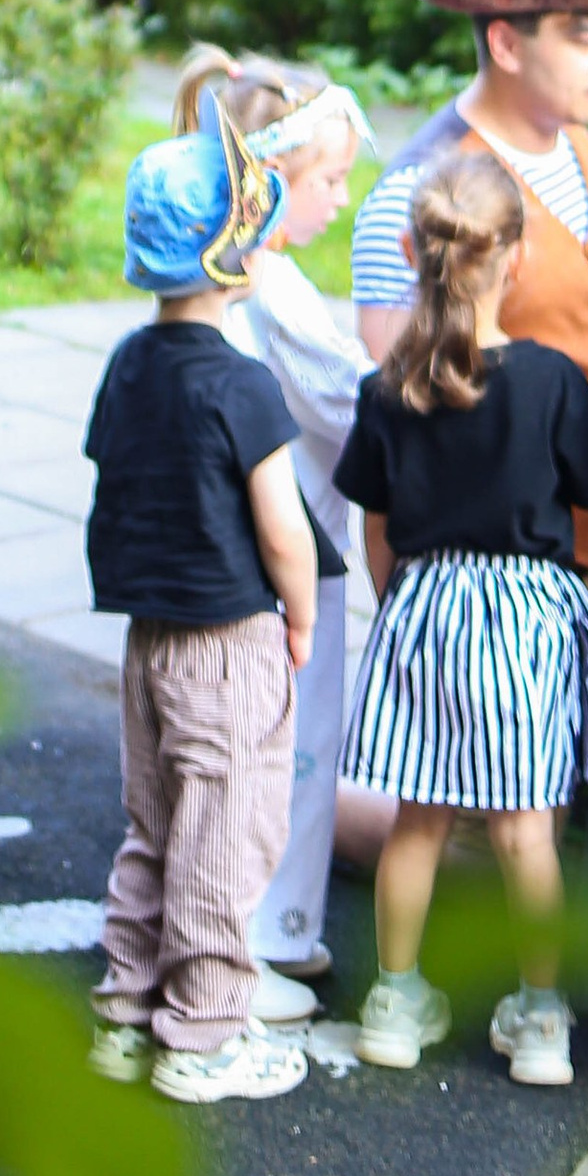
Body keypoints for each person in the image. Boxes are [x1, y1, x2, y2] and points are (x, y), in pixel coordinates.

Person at [337, 152, 588, 1089]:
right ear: (519, 256)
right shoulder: (549, 381)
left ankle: (393, 995)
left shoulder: (389, 387)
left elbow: (376, 525)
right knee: (524, 831)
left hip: (425, 603)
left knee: (418, 819)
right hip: (525, 613)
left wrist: (404, 607)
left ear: (410, 250)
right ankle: (541, 1015)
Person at [81, 99, 341, 1106]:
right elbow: (281, 524)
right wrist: (303, 616)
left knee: (155, 820)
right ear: (237, 253)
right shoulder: (242, 385)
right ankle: (201, 1032)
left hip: (147, 639)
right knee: (223, 833)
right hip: (228, 639)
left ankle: (125, 1008)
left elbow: (118, 470)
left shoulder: (127, 363)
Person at [350, 0, 588, 584]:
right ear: (506, 44)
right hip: (521, 587)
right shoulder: (424, 192)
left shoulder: (585, 147)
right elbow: (399, 437)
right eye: (586, 37)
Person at [170, 48, 377, 1001]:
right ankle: (265, 938)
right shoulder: (277, 285)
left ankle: (234, 927)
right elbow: (347, 402)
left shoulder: (234, 275)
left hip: (232, 549)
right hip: (298, 554)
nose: (340, 198)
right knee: (293, 747)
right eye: (328, 178)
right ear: (269, 183)